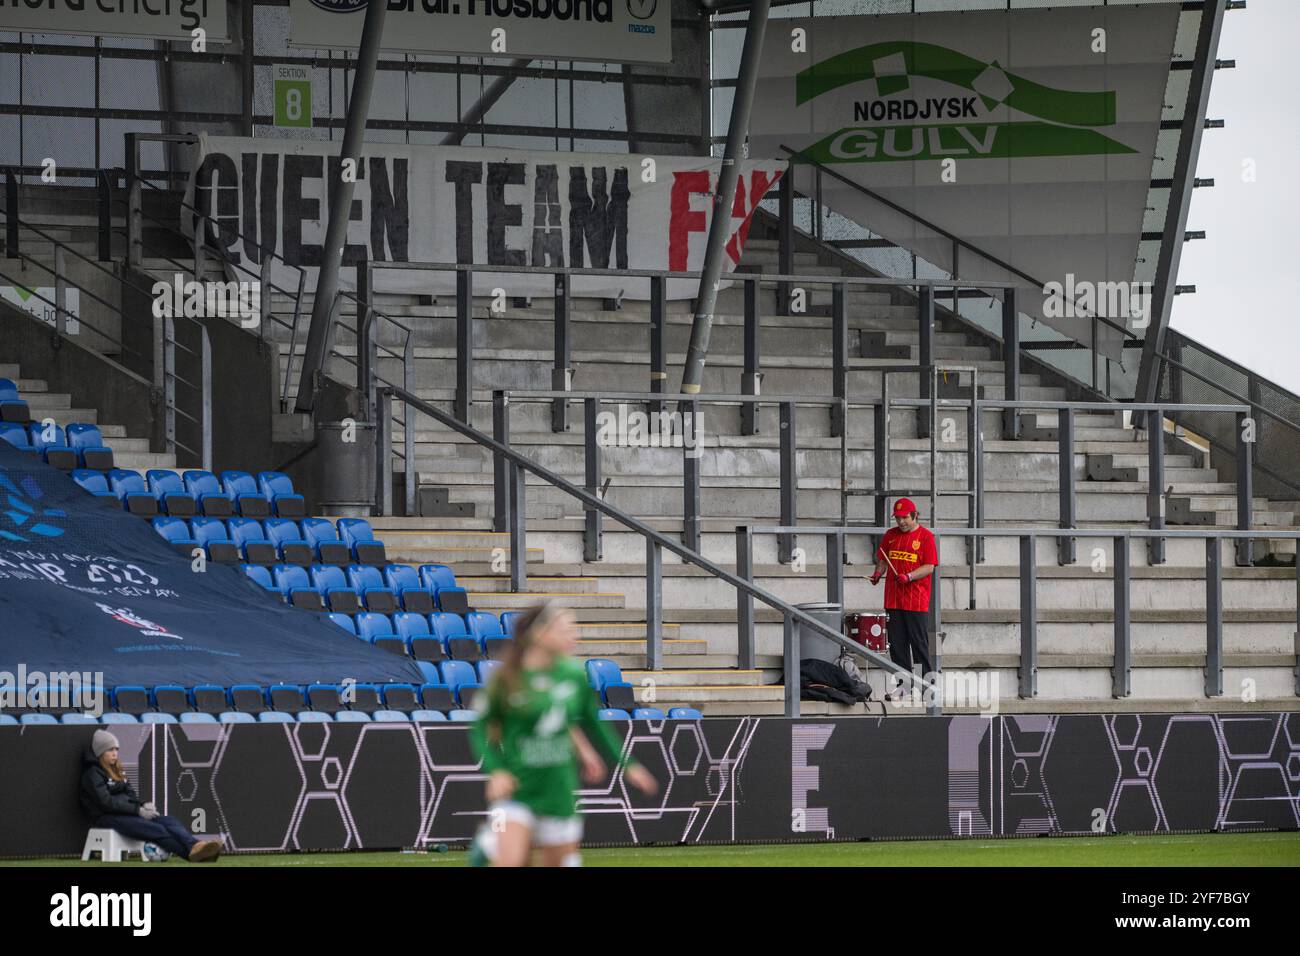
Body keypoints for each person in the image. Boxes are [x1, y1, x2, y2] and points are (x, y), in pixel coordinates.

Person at [469, 601, 657, 866]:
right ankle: (490, 842)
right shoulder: (506, 678)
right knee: (509, 861)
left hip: (558, 789)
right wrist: (497, 770)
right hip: (516, 790)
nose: (574, 635)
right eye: (565, 628)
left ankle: (490, 842)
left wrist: (627, 764)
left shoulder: (573, 675)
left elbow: (593, 722)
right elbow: (480, 728)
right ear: (539, 633)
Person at [80, 729, 223, 862]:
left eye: (116, 749)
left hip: (126, 813)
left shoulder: (118, 770)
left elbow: (130, 794)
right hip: (106, 818)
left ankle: (195, 845)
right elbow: (106, 802)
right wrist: (137, 810)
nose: (115, 753)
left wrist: (142, 805)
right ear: (100, 752)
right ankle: (192, 855)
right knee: (156, 830)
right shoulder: (92, 774)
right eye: (110, 750)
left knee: (167, 820)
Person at [868, 497, 939, 700]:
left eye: (905, 518)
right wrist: (877, 574)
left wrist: (908, 576)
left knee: (919, 644)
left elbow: (929, 566)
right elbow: (883, 559)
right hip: (893, 599)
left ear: (915, 515)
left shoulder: (925, 536)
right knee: (897, 646)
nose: (901, 522)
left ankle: (928, 688)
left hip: (916, 601)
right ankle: (903, 687)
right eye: (898, 518)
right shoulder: (890, 535)